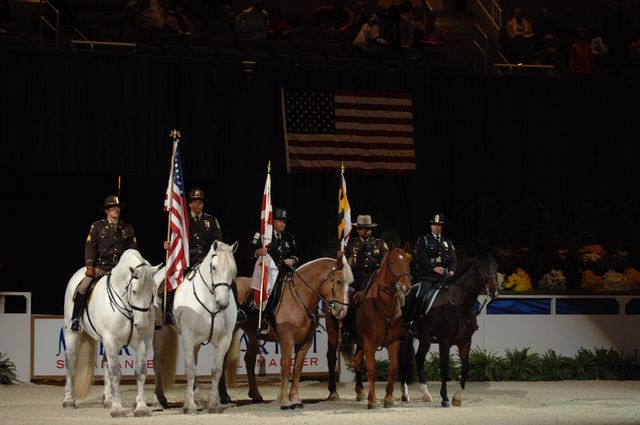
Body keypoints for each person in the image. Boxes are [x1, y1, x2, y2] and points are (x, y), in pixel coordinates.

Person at [70, 195, 137, 332]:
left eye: (117, 207)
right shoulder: (97, 226)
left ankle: (138, 319)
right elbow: (90, 247)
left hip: (119, 268)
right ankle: (76, 319)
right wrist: (89, 266)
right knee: (83, 287)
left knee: (138, 286)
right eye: (113, 207)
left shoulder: (127, 228)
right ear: (107, 210)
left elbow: (132, 250)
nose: (116, 210)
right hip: (101, 266)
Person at [162, 188, 224, 325]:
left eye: (200, 202)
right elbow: (176, 239)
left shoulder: (211, 220)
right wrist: (169, 245)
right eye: (194, 202)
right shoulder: (182, 220)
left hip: (207, 261)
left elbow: (217, 242)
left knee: (226, 278)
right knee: (172, 278)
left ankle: (235, 311)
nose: (197, 205)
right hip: (187, 259)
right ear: (189, 204)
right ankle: (168, 312)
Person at [403, 212, 457, 334]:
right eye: (434, 224)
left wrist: (452, 270)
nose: (437, 227)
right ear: (431, 226)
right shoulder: (424, 240)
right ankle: (411, 322)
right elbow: (420, 258)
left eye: (439, 225)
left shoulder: (447, 242)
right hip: (428, 277)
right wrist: (434, 268)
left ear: (442, 227)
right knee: (419, 295)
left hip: (445, 278)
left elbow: (453, 259)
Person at [247, 207, 299, 334]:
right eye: (280, 220)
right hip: (268, 273)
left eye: (284, 221)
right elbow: (248, 252)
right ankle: (263, 317)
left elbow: (296, 255)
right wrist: (258, 252)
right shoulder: (263, 235)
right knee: (273, 289)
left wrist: (292, 260)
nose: (283, 223)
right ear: (273, 221)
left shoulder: (288, 237)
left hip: (286, 272)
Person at [341, 214, 388, 344]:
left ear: (371, 229)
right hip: (355, 281)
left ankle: (396, 329)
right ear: (357, 230)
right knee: (347, 297)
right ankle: (346, 330)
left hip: (374, 281)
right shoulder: (350, 244)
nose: (365, 231)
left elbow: (385, 263)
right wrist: (344, 261)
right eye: (362, 228)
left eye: (367, 228)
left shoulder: (380, 244)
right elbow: (343, 266)